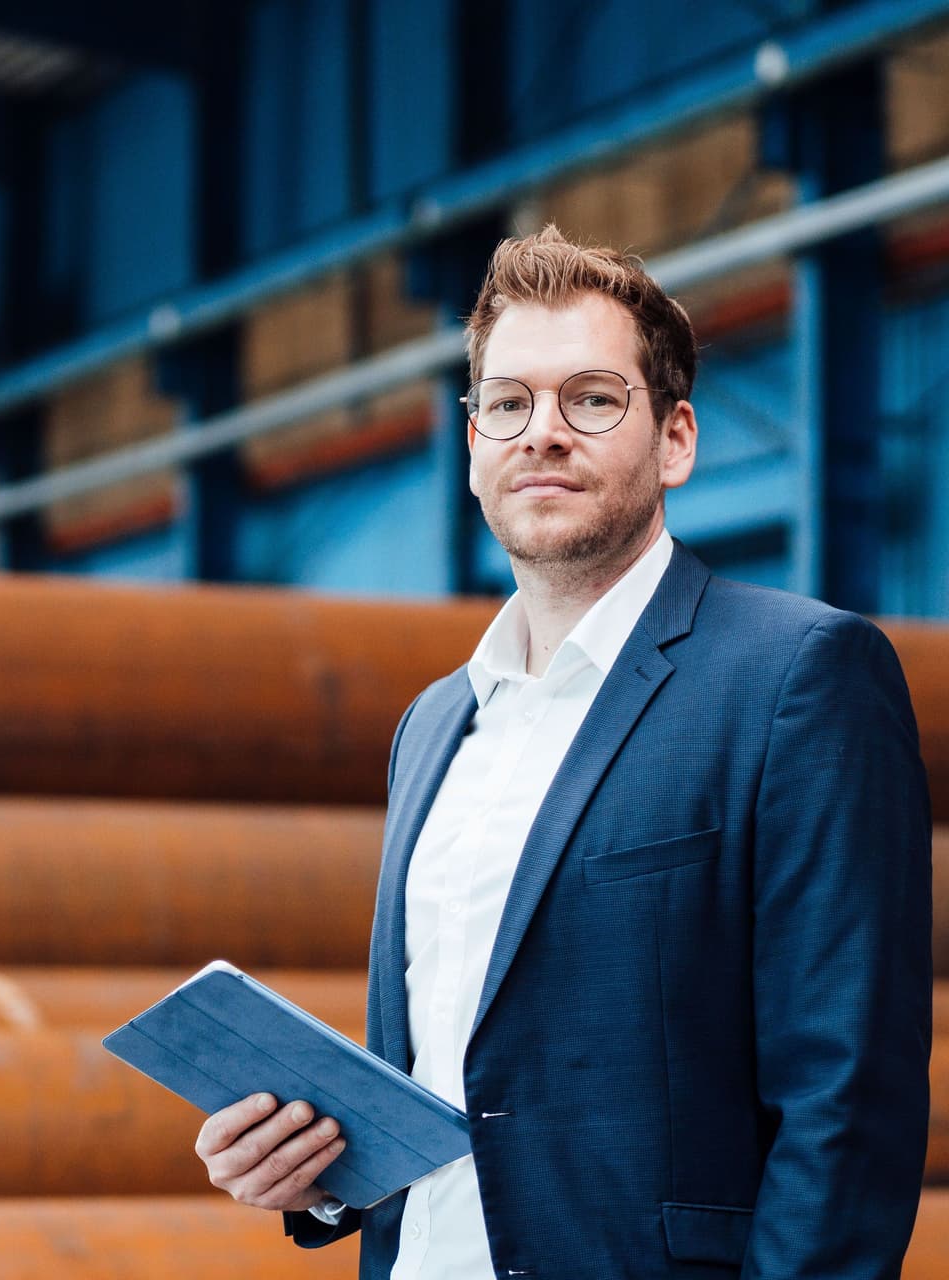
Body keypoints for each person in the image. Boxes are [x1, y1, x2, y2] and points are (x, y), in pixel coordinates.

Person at [195, 225, 932, 1277]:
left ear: (675, 439)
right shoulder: (434, 725)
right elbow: (452, 1077)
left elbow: (849, 1101)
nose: (543, 431)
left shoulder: (796, 677)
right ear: (472, 447)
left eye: (591, 398)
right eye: (507, 403)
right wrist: (316, 1176)